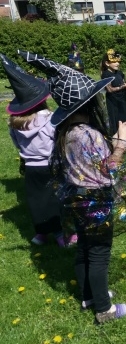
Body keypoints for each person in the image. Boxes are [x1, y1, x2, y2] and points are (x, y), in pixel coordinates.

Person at [19, 50, 126, 324]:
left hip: (76, 202)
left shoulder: (66, 133)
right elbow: (109, 169)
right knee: (98, 254)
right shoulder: (89, 134)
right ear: (86, 104)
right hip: (95, 202)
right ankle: (104, 309)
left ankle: (88, 296)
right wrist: (123, 141)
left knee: (84, 247)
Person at [2, 54, 74, 247]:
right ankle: (61, 234)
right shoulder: (50, 118)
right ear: (42, 100)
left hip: (31, 167)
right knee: (57, 197)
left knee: (37, 200)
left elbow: (17, 144)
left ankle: (40, 234)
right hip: (51, 164)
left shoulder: (15, 124)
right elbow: (58, 139)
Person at [101, 49, 126, 138]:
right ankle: (118, 135)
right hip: (113, 101)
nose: (117, 64)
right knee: (116, 118)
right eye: (114, 62)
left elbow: (123, 82)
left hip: (122, 98)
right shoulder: (106, 74)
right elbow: (109, 89)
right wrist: (122, 87)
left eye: (118, 61)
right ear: (107, 63)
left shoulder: (119, 72)